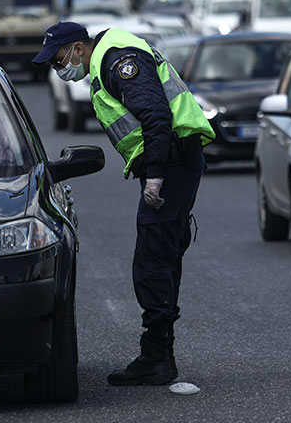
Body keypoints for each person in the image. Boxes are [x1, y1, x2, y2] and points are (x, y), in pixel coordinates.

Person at [32, 21, 215, 386]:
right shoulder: (109, 57)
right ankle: (159, 354)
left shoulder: (118, 60)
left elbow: (156, 116)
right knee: (162, 255)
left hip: (171, 164)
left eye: (58, 60)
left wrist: (156, 175)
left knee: (153, 261)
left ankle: (157, 358)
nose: (59, 68)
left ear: (78, 48)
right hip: (173, 161)